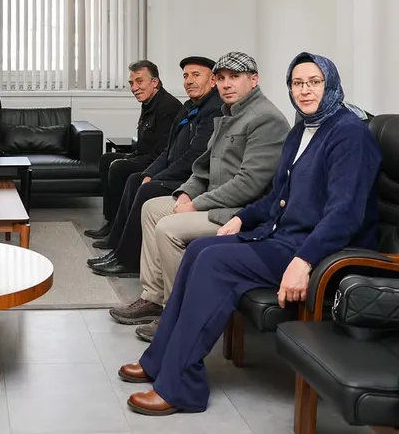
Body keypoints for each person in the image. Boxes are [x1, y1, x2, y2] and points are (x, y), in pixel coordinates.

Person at [118, 52, 381, 416]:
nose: (305, 90)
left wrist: (304, 261)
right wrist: (243, 218)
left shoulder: (349, 134)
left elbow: (345, 214)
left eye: (314, 82)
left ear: (331, 84)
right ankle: (158, 359)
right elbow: (277, 196)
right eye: (297, 83)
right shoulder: (302, 130)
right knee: (199, 251)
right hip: (282, 235)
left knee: (214, 263)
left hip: (320, 250)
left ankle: (182, 387)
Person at [113, 52, 290, 340]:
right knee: (152, 208)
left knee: (168, 228)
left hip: (238, 212)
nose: (226, 84)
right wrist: (186, 193)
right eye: (221, 78)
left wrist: (196, 204)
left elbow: (250, 184)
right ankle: (153, 297)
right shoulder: (229, 113)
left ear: (254, 80)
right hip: (213, 201)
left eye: (235, 77)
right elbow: (203, 166)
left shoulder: (266, 119)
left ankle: (178, 313)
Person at [89, 56, 223, 277]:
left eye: (196, 75)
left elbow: (195, 157)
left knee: (145, 187)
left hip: (192, 179)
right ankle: (119, 250)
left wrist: (158, 176)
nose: (189, 81)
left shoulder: (214, 110)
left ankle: (128, 261)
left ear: (213, 80)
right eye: (186, 76)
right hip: (175, 171)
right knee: (138, 179)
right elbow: (168, 150)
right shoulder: (189, 107)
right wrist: (151, 172)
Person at [84, 60, 182, 244]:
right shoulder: (149, 102)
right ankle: (111, 221)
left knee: (119, 167)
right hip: (143, 155)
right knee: (106, 159)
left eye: (139, 81)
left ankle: (117, 231)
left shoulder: (168, 107)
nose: (134, 88)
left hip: (156, 162)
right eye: (131, 83)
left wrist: (134, 160)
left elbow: (163, 151)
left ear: (154, 82)